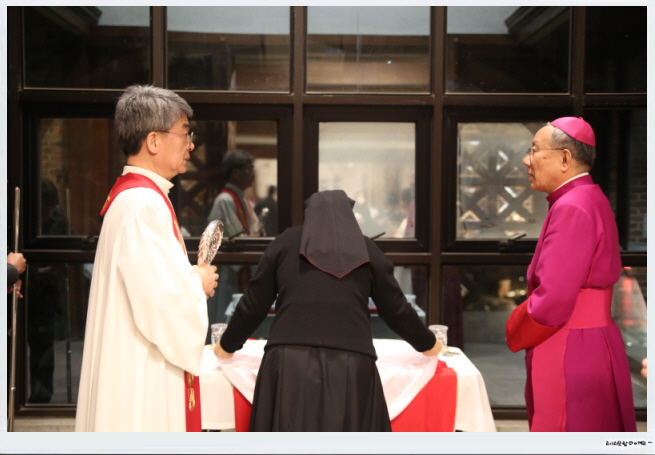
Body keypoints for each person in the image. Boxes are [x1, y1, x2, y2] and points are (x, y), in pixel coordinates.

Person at [214, 190, 441, 431]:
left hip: (288, 362)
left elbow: (254, 304)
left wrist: (227, 344)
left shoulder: (284, 243)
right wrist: (428, 343)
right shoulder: (367, 249)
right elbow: (396, 309)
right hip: (352, 364)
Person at [75, 85, 218, 432]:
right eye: (185, 134)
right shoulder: (143, 205)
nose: (191, 146)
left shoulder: (136, 198)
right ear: (153, 141)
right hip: (140, 376)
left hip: (132, 360)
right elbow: (162, 305)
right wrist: (196, 284)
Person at [505, 117, 636, 432]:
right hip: (592, 339)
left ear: (564, 158)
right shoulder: (589, 197)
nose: (526, 160)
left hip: (570, 346)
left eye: (534, 150)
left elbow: (553, 301)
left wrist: (514, 326)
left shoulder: (571, 206)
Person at [206, 149, 259, 337]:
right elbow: (235, 239)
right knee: (224, 317)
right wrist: (253, 238)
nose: (253, 174)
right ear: (235, 172)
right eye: (249, 169)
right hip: (228, 271)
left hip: (241, 271)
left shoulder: (243, 199)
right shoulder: (225, 200)